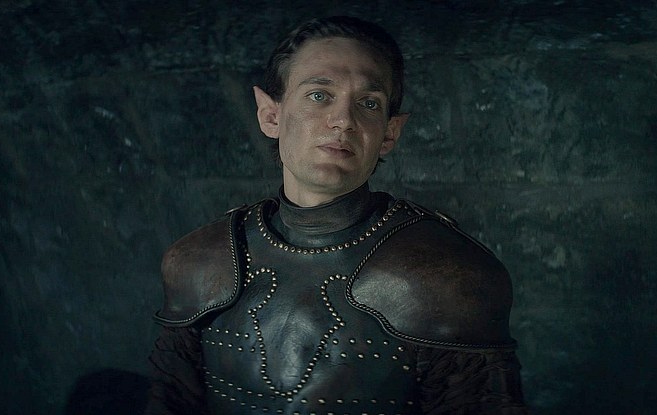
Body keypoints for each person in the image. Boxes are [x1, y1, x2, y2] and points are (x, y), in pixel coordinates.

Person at [146, 16, 528, 415]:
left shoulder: (449, 273)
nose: (344, 120)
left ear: (389, 133)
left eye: (368, 103)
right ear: (271, 115)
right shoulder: (198, 260)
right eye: (319, 95)